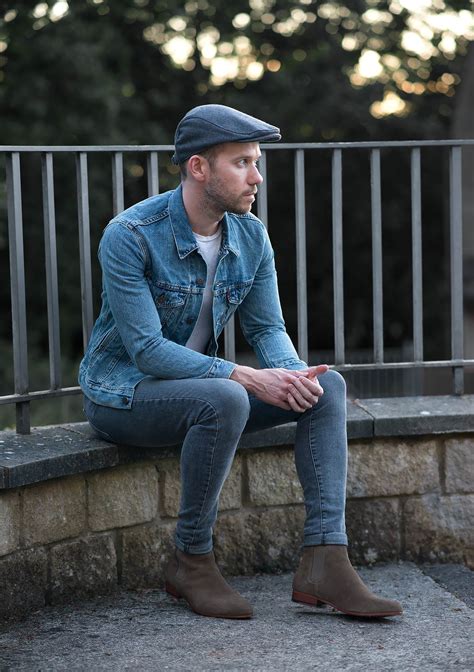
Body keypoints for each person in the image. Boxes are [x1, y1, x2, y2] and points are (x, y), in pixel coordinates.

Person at [80, 104, 402, 620]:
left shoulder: (249, 234)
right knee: (227, 394)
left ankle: (326, 561)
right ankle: (192, 560)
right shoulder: (131, 234)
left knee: (328, 389)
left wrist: (293, 378)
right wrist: (242, 373)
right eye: (242, 162)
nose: (257, 176)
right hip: (124, 395)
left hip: (199, 394)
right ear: (198, 168)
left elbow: (267, 329)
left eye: (257, 161)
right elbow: (146, 350)